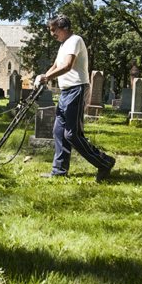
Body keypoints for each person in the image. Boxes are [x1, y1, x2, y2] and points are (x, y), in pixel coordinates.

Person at [35, 14, 115, 181]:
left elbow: (67, 65)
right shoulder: (63, 44)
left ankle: (105, 162)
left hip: (76, 90)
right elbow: (56, 65)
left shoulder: (75, 40)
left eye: (54, 30)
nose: (52, 34)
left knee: (72, 134)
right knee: (58, 131)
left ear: (64, 28)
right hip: (65, 92)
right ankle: (59, 171)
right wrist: (44, 76)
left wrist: (47, 78)